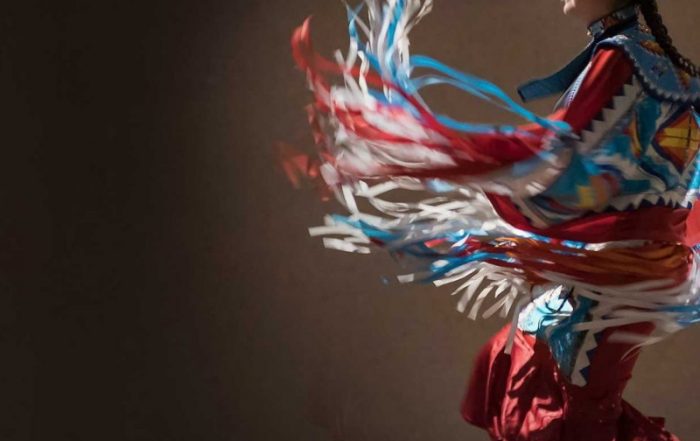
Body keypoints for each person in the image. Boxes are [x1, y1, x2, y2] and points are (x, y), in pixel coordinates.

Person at [288, 0, 700, 439]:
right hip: (628, 269)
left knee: (580, 412)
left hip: (621, 276)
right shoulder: (663, 66)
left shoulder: (623, 57)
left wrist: (434, 150)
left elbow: (556, 153)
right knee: (524, 360)